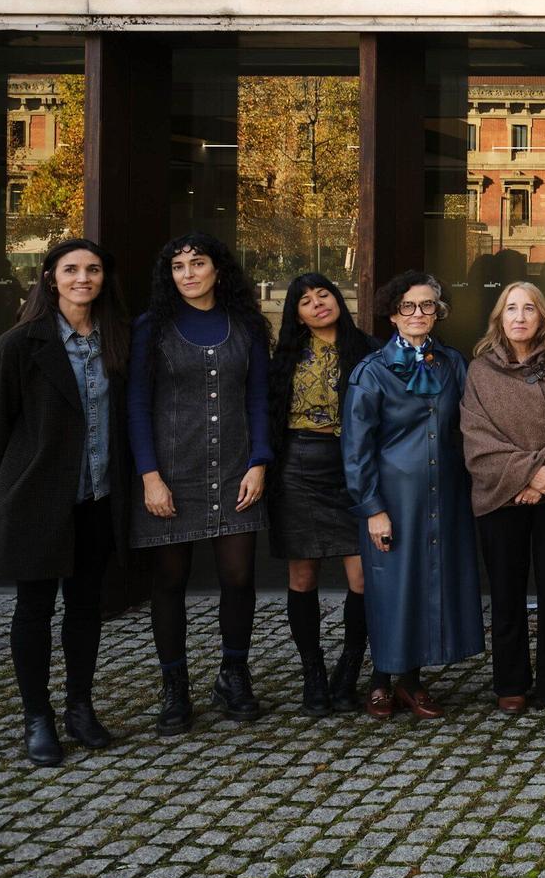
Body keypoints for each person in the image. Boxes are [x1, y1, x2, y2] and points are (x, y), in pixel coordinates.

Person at [0, 238, 131, 765]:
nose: (82, 278)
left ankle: (79, 708)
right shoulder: (21, 344)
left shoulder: (117, 339)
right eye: (70, 269)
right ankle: (37, 717)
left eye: (92, 269)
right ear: (50, 278)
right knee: (34, 609)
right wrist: (7, 493)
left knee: (85, 606)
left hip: (96, 497)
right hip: (37, 499)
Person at [127, 232, 274, 735]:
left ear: (218, 269)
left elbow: (259, 398)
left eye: (198, 263)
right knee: (169, 583)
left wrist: (259, 461)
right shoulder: (151, 328)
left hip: (236, 469)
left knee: (238, 578)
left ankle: (234, 674)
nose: (188, 273)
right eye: (177, 266)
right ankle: (175, 687)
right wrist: (150, 477)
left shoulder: (247, 325)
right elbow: (137, 407)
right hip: (171, 474)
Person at [343, 270, 485, 719]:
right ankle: (382, 681)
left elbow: (473, 426)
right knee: (390, 587)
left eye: (428, 306)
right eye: (409, 306)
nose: (419, 314)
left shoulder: (452, 363)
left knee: (430, 583)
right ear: (392, 314)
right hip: (393, 501)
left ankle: (412, 680)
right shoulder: (371, 371)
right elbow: (355, 447)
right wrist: (372, 509)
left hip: (443, 496)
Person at [462, 281, 545, 715]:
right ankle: (511, 682)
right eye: (511, 309)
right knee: (505, 593)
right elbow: (476, 436)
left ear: (543, 317)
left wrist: (543, 476)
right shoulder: (480, 371)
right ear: (499, 318)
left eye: (529, 309)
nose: (519, 317)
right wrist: (525, 475)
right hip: (504, 495)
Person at [265, 272, 376, 716]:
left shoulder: (367, 349)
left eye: (323, 294)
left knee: (363, 578)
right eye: (305, 300)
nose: (317, 304)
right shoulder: (286, 356)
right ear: (296, 313)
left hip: (351, 466)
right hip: (296, 468)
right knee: (302, 577)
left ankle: (348, 671)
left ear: (338, 298)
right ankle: (313, 673)